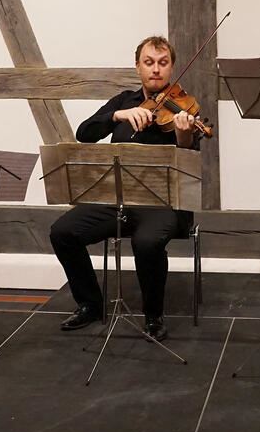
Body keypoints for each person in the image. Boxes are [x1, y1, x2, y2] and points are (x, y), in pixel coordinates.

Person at [49, 36, 201, 342]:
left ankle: (153, 316)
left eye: (163, 63)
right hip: (115, 198)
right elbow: (84, 133)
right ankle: (90, 304)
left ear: (171, 67)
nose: (156, 69)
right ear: (137, 66)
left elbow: (189, 158)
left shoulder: (183, 107)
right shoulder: (123, 101)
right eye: (149, 62)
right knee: (62, 232)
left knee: (146, 242)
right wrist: (117, 115)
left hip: (163, 203)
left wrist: (184, 135)